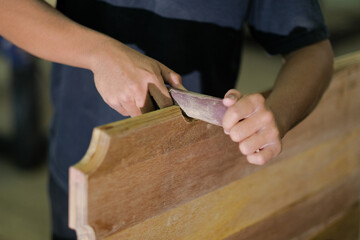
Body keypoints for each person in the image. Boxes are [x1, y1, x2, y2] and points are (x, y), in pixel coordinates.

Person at [0, 0, 333, 239]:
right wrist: (98, 52)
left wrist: (278, 115)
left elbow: (313, 50)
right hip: (82, 167)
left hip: (191, 181)